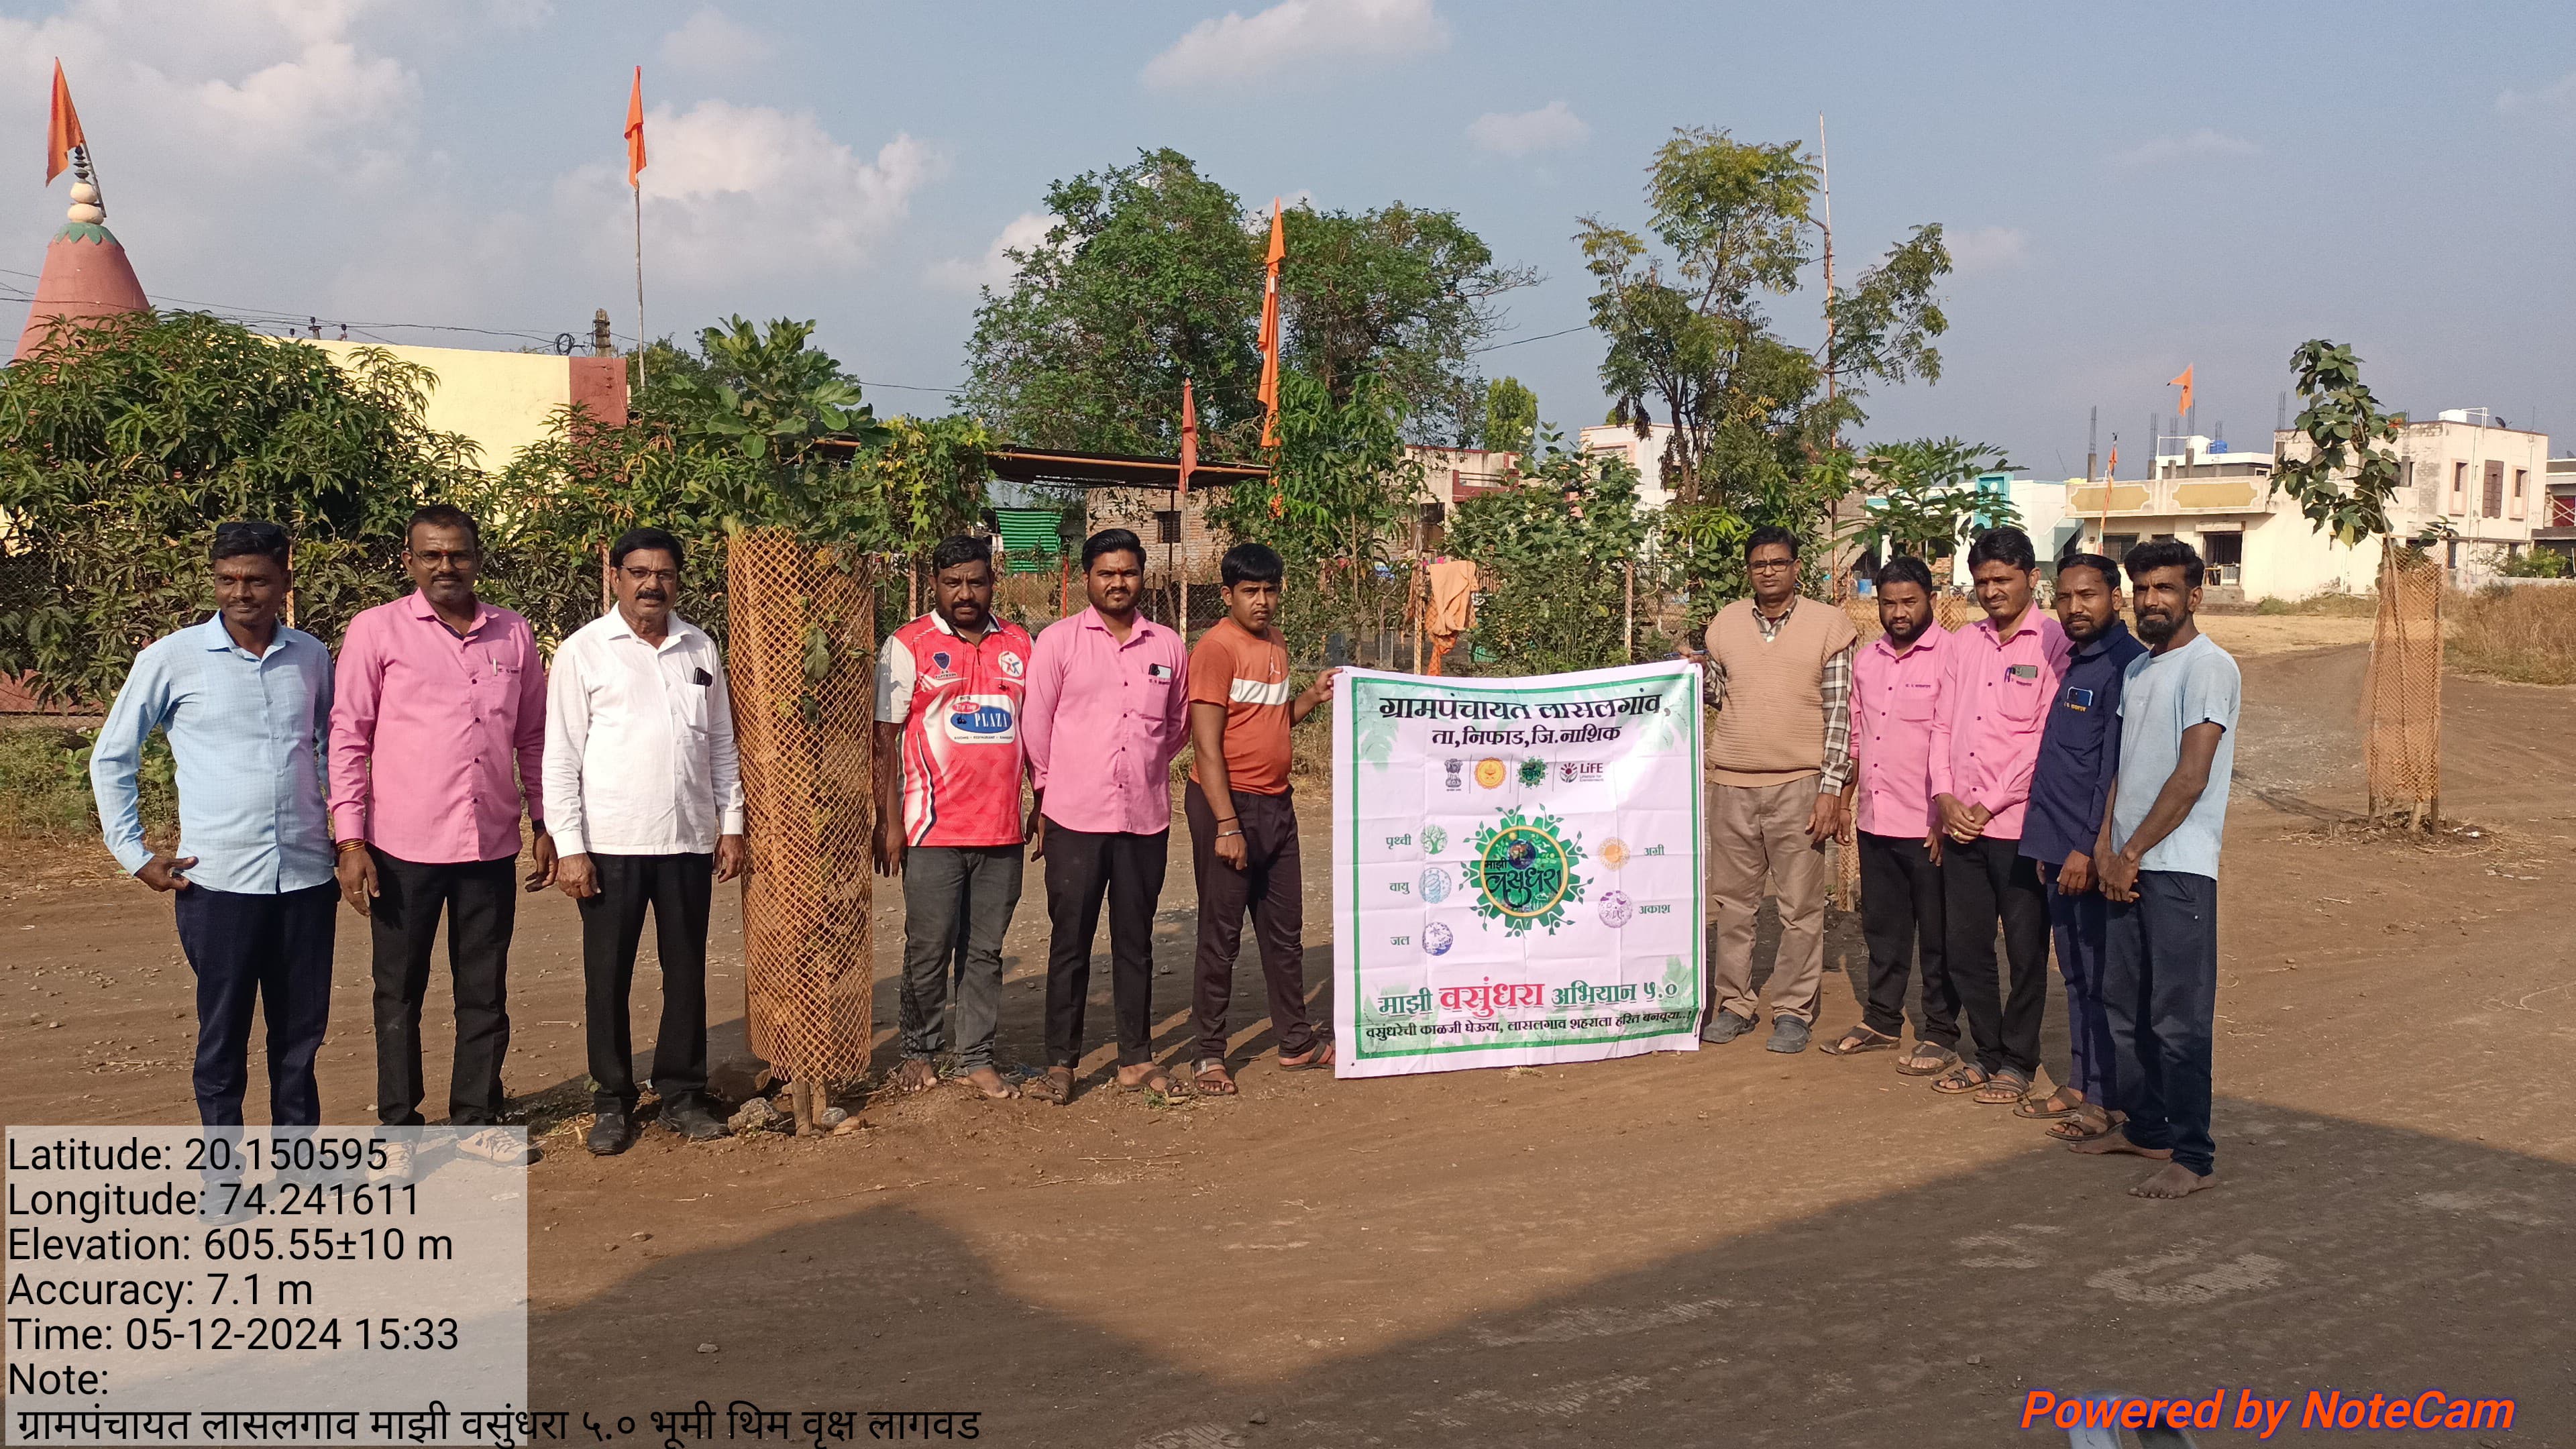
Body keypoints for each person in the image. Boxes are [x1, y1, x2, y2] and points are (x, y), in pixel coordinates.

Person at [89, 521, 335, 1127]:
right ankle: (223, 1171)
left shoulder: (310, 655)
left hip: (306, 878)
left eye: (257, 580)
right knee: (223, 1040)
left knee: (300, 1037)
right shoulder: (172, 658)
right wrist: (133, 853)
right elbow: (112, 755)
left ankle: (299, 1163)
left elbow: (330, 746)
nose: (241, 592)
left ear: (285, 582)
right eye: (228, 579)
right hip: (219, 883)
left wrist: (347, 830)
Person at [329, 504, 551, 1165]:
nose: (445, 566)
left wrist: (546, 823)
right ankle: (399, 1130)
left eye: (458, 554)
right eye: (431, 555)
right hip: (402, 848)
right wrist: (350, 841)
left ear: (478, 559)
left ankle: (476, 1118)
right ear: (410, 562)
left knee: (483, 988)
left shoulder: (513, 633)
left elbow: (534, 736)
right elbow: (349, 737)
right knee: (398, 991)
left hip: (489, 843)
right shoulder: (377, 630)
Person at [545, 527, 747, 1155]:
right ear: (616, 577)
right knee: (608, 976)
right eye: (639, 573)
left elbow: (721, 744)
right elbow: (561, 756)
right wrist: (570, 846)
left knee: (685, 972)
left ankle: (682, 1093)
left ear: (677, 582)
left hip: (687, 841)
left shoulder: (699, 648)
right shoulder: (584, 651)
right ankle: (612, 1100)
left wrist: (731, 825)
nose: (651, 585)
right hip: (611, 843)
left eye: (664, 574)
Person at [2071, 539, 2239, 1200]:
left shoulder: (2210, 667)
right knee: (2125, 1009)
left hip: (2177, 870)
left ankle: (2193, 1156)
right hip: (2127, 866)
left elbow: (2191, 776)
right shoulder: (2140, 669)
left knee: (2178, 1020)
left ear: (2194, 595)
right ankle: (2147, 1129)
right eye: (2142, 589)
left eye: (2165, 588)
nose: (2151, 601)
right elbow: (2124, 770)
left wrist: (2132, 852)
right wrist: (2106, 849)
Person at [1021, 527, 1190, 1104]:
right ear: (1088, 578)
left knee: (1135, 941)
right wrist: (1047, 793)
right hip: (1075, 818)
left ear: (1143, 576)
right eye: (1107, 573)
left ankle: (1135, 1059)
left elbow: (1176, 726)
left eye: (1128, 572)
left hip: (1144, 819)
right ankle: (1061, 1065)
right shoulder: (1058, 642)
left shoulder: (1167, 646)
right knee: (1070, 942)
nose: (1119, 583)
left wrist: (1141, 766)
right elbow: (1036, 726)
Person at [873, 534, 1036, 1102]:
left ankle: (976, 1058)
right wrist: (888, 821)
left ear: (993, 582)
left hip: (1001, 831)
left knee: (985, 951)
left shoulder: (1020, 643)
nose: (965, 594)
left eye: (976, 582)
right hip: (930, 830)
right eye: (952, 583)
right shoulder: (907, 645)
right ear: (935, 584)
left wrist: (1041, 801)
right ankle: (918, 1052)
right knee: (928, 947)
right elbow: (885, 740)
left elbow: (1036, 733)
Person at [1686, 525, 1858, 1055]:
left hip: (1799, 785)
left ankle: (1792, 1011)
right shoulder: (1726, 623)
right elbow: (1724, 693)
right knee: (1733, 906)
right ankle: (1734, 1004)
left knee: (1800, 908)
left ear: (1797, 567)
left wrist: (1831, 790)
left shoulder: (1829, 626)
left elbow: (1839, 714)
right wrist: (1697, 674)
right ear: (1749, 571)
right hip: (1732, 784)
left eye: (1778, 563)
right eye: (1759, 564)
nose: (1768, 572)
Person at [1183, 543, 1340, 1095]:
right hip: (1227, 806)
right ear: (1227, 595)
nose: (1262, 601)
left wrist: (1312, 697)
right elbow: (1206, 746)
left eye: (1270, 590)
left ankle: (1295, 1041)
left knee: (1284, 933)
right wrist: (1227, 825)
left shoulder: (1277, 642)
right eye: (1250, 591)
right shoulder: (1215, 649)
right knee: (1221, 935)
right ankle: (1208, 1054)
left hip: (1277, 803)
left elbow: (1271, 722)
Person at [1928, 526, 2069, 1105]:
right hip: (1960, 823)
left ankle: (2018, 1061)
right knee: (1965, 946)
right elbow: (1941, 724)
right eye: (1982, 581)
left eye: (2003, 580)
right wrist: (1944, 796)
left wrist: (1989, 804)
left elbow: (2043, 740)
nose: (1991, 591)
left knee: (2026, 950)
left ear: (2032, 578)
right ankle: (1986, 1053)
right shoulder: (1964, 643)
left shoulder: (2055, 642)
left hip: (2017, 827)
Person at [2015, 553, 2146, 1143]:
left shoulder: (2125, 667)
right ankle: (2079, 1079)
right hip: (2057, 847)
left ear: (2115, 598)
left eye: (2088, 595)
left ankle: (2108, 1097)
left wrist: (2087, 851)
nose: (2074, 608)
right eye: (2065, 597)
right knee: (2073, 975)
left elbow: (2113, 771)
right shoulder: (2075, 660)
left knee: (2102, 979)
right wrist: (2050, 845)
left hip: (2088, 855)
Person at [1821, 555, 1959, 1071]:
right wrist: (1844, 801)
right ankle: (1881, 1020)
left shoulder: (1952, 657)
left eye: (1909, 602)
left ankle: (1941, 1032)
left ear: (1931, 600)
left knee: (1938, 935)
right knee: (1883, 930)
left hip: (1929, 826)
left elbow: (1957, 742)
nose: (1898, 613)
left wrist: (1945, 818)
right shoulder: (1868, 661)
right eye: (1888, 603)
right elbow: (1857, 740)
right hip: (1876, 821)